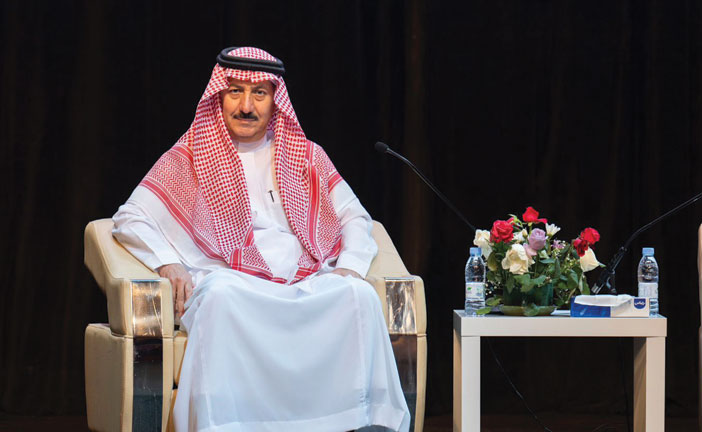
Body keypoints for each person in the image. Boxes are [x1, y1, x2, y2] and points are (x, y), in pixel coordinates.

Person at [112, 46, 410, 432]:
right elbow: (130, 217)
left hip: (304, 282)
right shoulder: (188, 157)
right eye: (235, 92)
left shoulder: (307, 156)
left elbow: (355, 217)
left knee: (358, 295)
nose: (246, 106)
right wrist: (167, 262)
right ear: (219, 97)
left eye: (259, 94)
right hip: (234, 284)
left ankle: (357, 422)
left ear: (275, 101)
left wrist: (350, 268)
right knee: (220, 296)